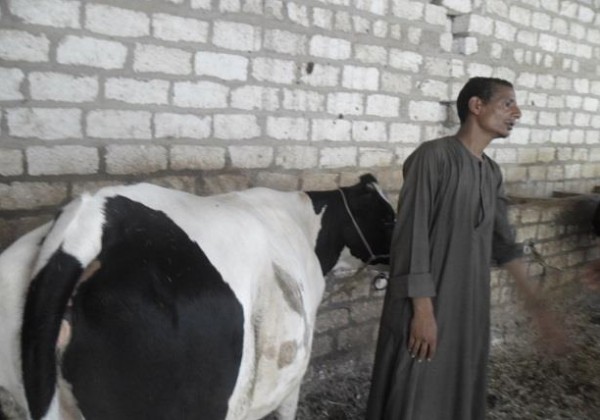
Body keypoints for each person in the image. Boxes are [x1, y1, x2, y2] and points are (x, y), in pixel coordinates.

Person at [366, 77, 565, 420]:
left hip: (468, 307)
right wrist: (423, 313)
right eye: (507, 104)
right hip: (425, 304)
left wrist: (539, 309)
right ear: (476, 105)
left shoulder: (492, 173)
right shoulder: (433, 157)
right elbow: (411, 236)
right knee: (414, 386)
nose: (517, 113)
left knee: (456, 387)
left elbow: (505, 245)